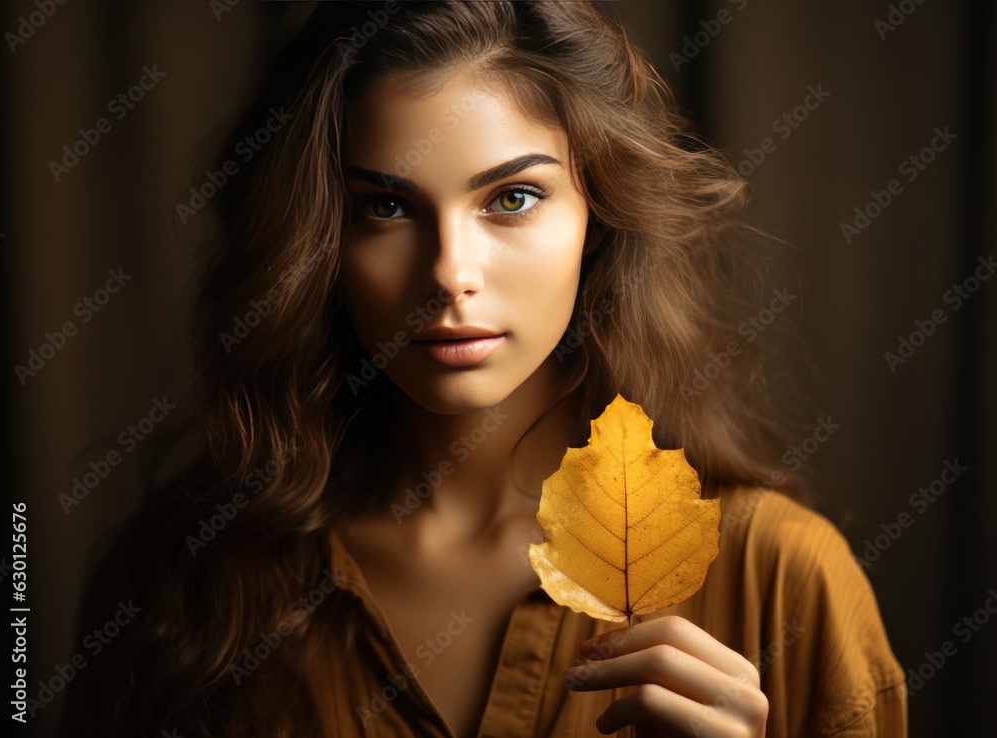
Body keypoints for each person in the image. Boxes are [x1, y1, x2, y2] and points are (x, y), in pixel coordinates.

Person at [56, 2, 907, 736]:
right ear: (317, 241)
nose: (447, 273)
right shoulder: (177, 584)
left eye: (512, 198)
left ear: (599, 218)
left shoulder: (784, 583)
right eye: (385, 207)